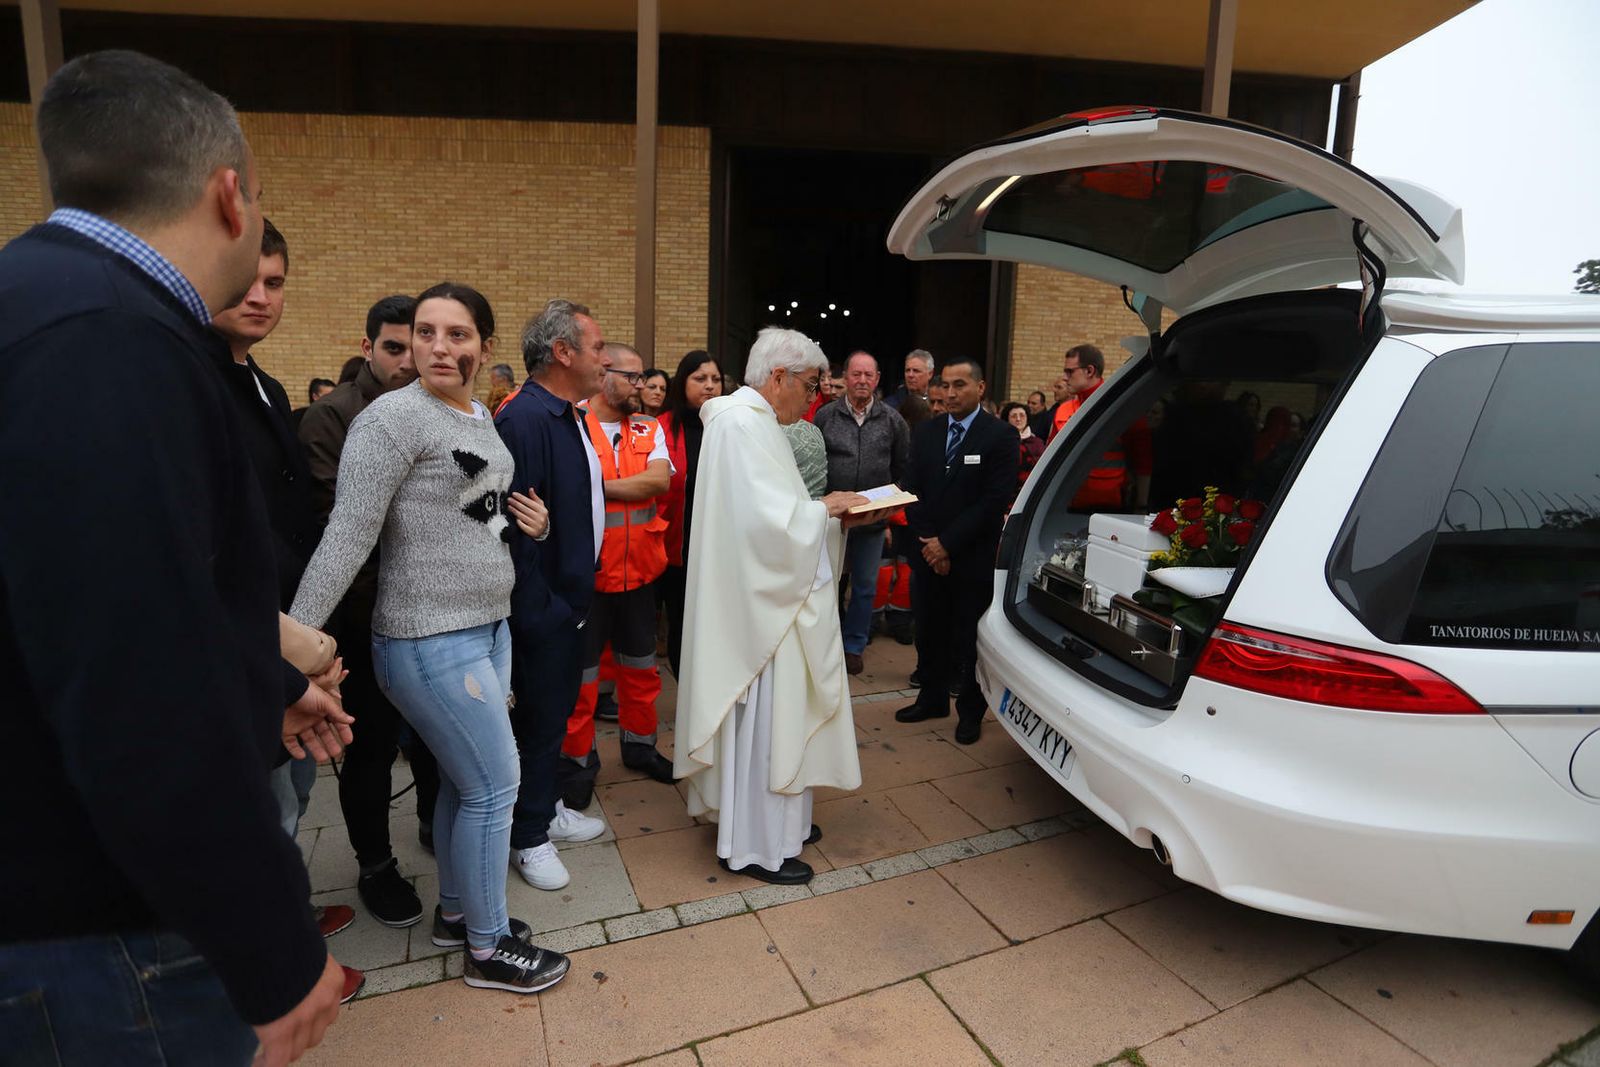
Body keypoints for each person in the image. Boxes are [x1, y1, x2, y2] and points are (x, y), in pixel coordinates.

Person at [0, 48, 348, 1064]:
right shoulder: (110, 340)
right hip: (99, 935)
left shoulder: (47, 303)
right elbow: (133, 682)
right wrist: (269, 944)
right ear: (229, 196)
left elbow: (101, 592)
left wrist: (265, 683)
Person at [290, 282, 570, 994]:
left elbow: (473, 509)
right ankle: (488, 946)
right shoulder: (390, 420)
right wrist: (292, 642)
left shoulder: (477, 414)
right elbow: (347, 534)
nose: (441, 346)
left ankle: (457, 912)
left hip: (486, 627)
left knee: (463, 783)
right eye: (427, 332)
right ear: (409, 342)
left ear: (484, 345)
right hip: (426, 637)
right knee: (495, 786)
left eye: (458, 333)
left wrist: (520, 527)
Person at [675, 327, 867, 885]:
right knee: (765, 726)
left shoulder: (752, 422)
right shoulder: (740, 424)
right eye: (810, 385)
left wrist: (822, 513)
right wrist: (824, 509)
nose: (813, 398)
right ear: (778, 376)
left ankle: (784, 824)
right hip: (759, 611)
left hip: (767, 598)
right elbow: (766, 527)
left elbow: (771, 512)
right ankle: (757, 846)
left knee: (778, 720)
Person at [298, 294, 442, 927]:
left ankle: (435, 828)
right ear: (367, 348)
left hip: (435, 615)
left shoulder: (440, 411)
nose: (407, 360)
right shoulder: (331, 418)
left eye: (414, 346)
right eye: (392, 347)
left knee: (437, 741)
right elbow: (348, 531)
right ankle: (376, 865)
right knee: (372, 748)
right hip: (363, 619)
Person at [495, 298, 612, 892]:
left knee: (555, 715)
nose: (605, 358)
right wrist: (543, 608)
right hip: (543, 610)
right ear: (562, 352)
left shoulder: (566, 413)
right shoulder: (526, 418)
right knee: (538, 722)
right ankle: (527, 836)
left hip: (567, 601)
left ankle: (544, 810)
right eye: (596, 347)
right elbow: (512, 525)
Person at [564, 342, 677, 791]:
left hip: (640, 575)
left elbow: (659, 479)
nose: (641, 386)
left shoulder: (649, 428)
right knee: (582, 681)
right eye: (632, 377)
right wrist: (623, 486)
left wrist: (594, 485)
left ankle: (640, 747)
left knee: (642, 671)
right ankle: (576, 764)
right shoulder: (571, 424)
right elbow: (563, 489)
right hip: (588, 580)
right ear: (604, 373)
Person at [896, 358, 1018, 744]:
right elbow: (912, 489)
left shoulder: (999, 436)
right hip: (927, 555)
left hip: (971, 557)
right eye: (945, 385)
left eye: (959, 385)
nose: (949, 393)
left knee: (968, 638)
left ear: (980, 388)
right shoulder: (927, 432)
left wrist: (947, 544)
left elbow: (994, 499)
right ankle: (931, 698)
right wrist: (930, 542)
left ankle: (970, 711)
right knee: (929, 632)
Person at [811, 350, 910, 675]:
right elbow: (815, 464)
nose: (862, 380)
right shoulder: (825, 416)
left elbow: (900, 467)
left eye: (869, 375)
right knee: (829, 584)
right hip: (832, 520)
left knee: (865, 586)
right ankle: (826, 642)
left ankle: (854, 645)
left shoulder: (893, 420)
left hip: (870, 521)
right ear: (846, 378)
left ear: (877, 379)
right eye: (856, 374)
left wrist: (887, 509)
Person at [656, 349, 722, 678]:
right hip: (673, 547)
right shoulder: (662, 427)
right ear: (682, 383)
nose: (709, 386)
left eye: (715, 379)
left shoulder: (728, 427)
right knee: (682, 623)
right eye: (700, 379)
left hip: (719, 548)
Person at [1049, 343, 1104, 442]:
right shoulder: (1063, 410)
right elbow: (1051, 453)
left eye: (1070, 372)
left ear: (1089, 371)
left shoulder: (1118, 404)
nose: (1065, 378)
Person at [1002, 401, 1044, 490]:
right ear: (1007, 419)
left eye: (1022, 415)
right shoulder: (1001, 442)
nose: (1018, 419)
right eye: (1013, 416)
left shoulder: (1037, 442)